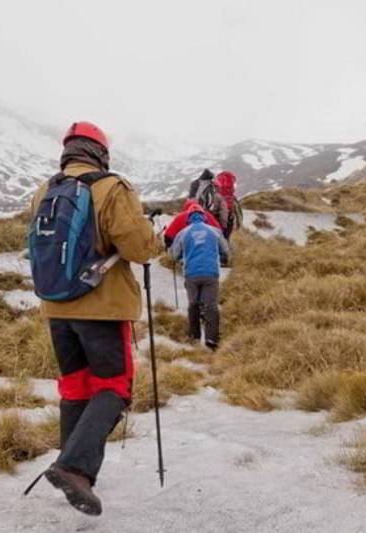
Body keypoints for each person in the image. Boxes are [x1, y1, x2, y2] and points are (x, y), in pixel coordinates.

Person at [28, 121, 162, 516]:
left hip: (55, 306)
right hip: (101, 306)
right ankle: (74, 467)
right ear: (100, 152)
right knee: (114, 388)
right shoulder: (111, 187)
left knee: (76, 387)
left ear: (67, 152)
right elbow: (139, 248)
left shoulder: (43, 191)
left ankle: (72, 467)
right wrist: (152, 235)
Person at [169, 204, 230, 350]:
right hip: (211, 273)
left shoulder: (183, 233)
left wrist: (181, 258)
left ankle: (194, 338)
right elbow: (226, 250)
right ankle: (212, 340)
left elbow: (173, 254)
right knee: (211, 306)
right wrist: (222, 257)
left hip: (191, 274)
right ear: (204, 217)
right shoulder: (214, 231)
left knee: (193, 305)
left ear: (189, 218)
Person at [214, 171, 241, 241]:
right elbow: (238, 212)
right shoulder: (232, 197)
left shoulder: (215, 194)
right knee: (226, 237)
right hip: (229, 219)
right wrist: (238, 224)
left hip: (215, 219)